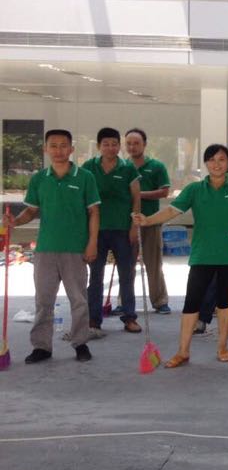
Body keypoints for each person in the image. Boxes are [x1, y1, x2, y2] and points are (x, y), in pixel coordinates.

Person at [133, 144, 228, 368]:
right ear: (206, 163)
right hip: (202, 255)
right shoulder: (195, 189)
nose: (217, 164)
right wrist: (148, 220)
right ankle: (183, 351)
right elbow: (172, 210)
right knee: (192, 302)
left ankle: (222, 347)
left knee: (224, 301)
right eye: (212, 160)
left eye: (221, 160)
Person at [6, 130, 100, 363]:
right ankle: (42, 347)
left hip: (75, 249)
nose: (59, 150)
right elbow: (31, 210)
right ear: (45, 149)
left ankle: (80, 343)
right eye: (54, 146)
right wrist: (15, 222)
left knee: (79, 300)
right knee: (43, 300)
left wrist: (92, 243)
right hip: (45, 249)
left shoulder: (85, 177)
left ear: (71, 149)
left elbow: (94, 212)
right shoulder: (39, 179)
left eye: (63, 145)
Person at [83, 127, 142, 336]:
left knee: (126, 274)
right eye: (106, 144)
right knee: (95, 276)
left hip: (122, 229)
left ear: (119, 145)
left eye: (114, 144)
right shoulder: (88, 167)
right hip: (95, 231)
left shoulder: (128, 168)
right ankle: (93, 318)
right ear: (99, 146)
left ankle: (129, 317)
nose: (110, 148)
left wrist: (134, 226)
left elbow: (136, 198)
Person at [124, 129, 172, 314]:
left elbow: (164, 191)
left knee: (153, 263)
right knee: (126, 264)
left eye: (136, 143)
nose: (132, 147)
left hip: (151, 221)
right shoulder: (122, 166)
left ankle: (160, 301)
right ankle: (124, 301)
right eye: (129, 143)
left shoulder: (156, 166)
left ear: (144, 144)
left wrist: (138, 194)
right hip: (128, 223)